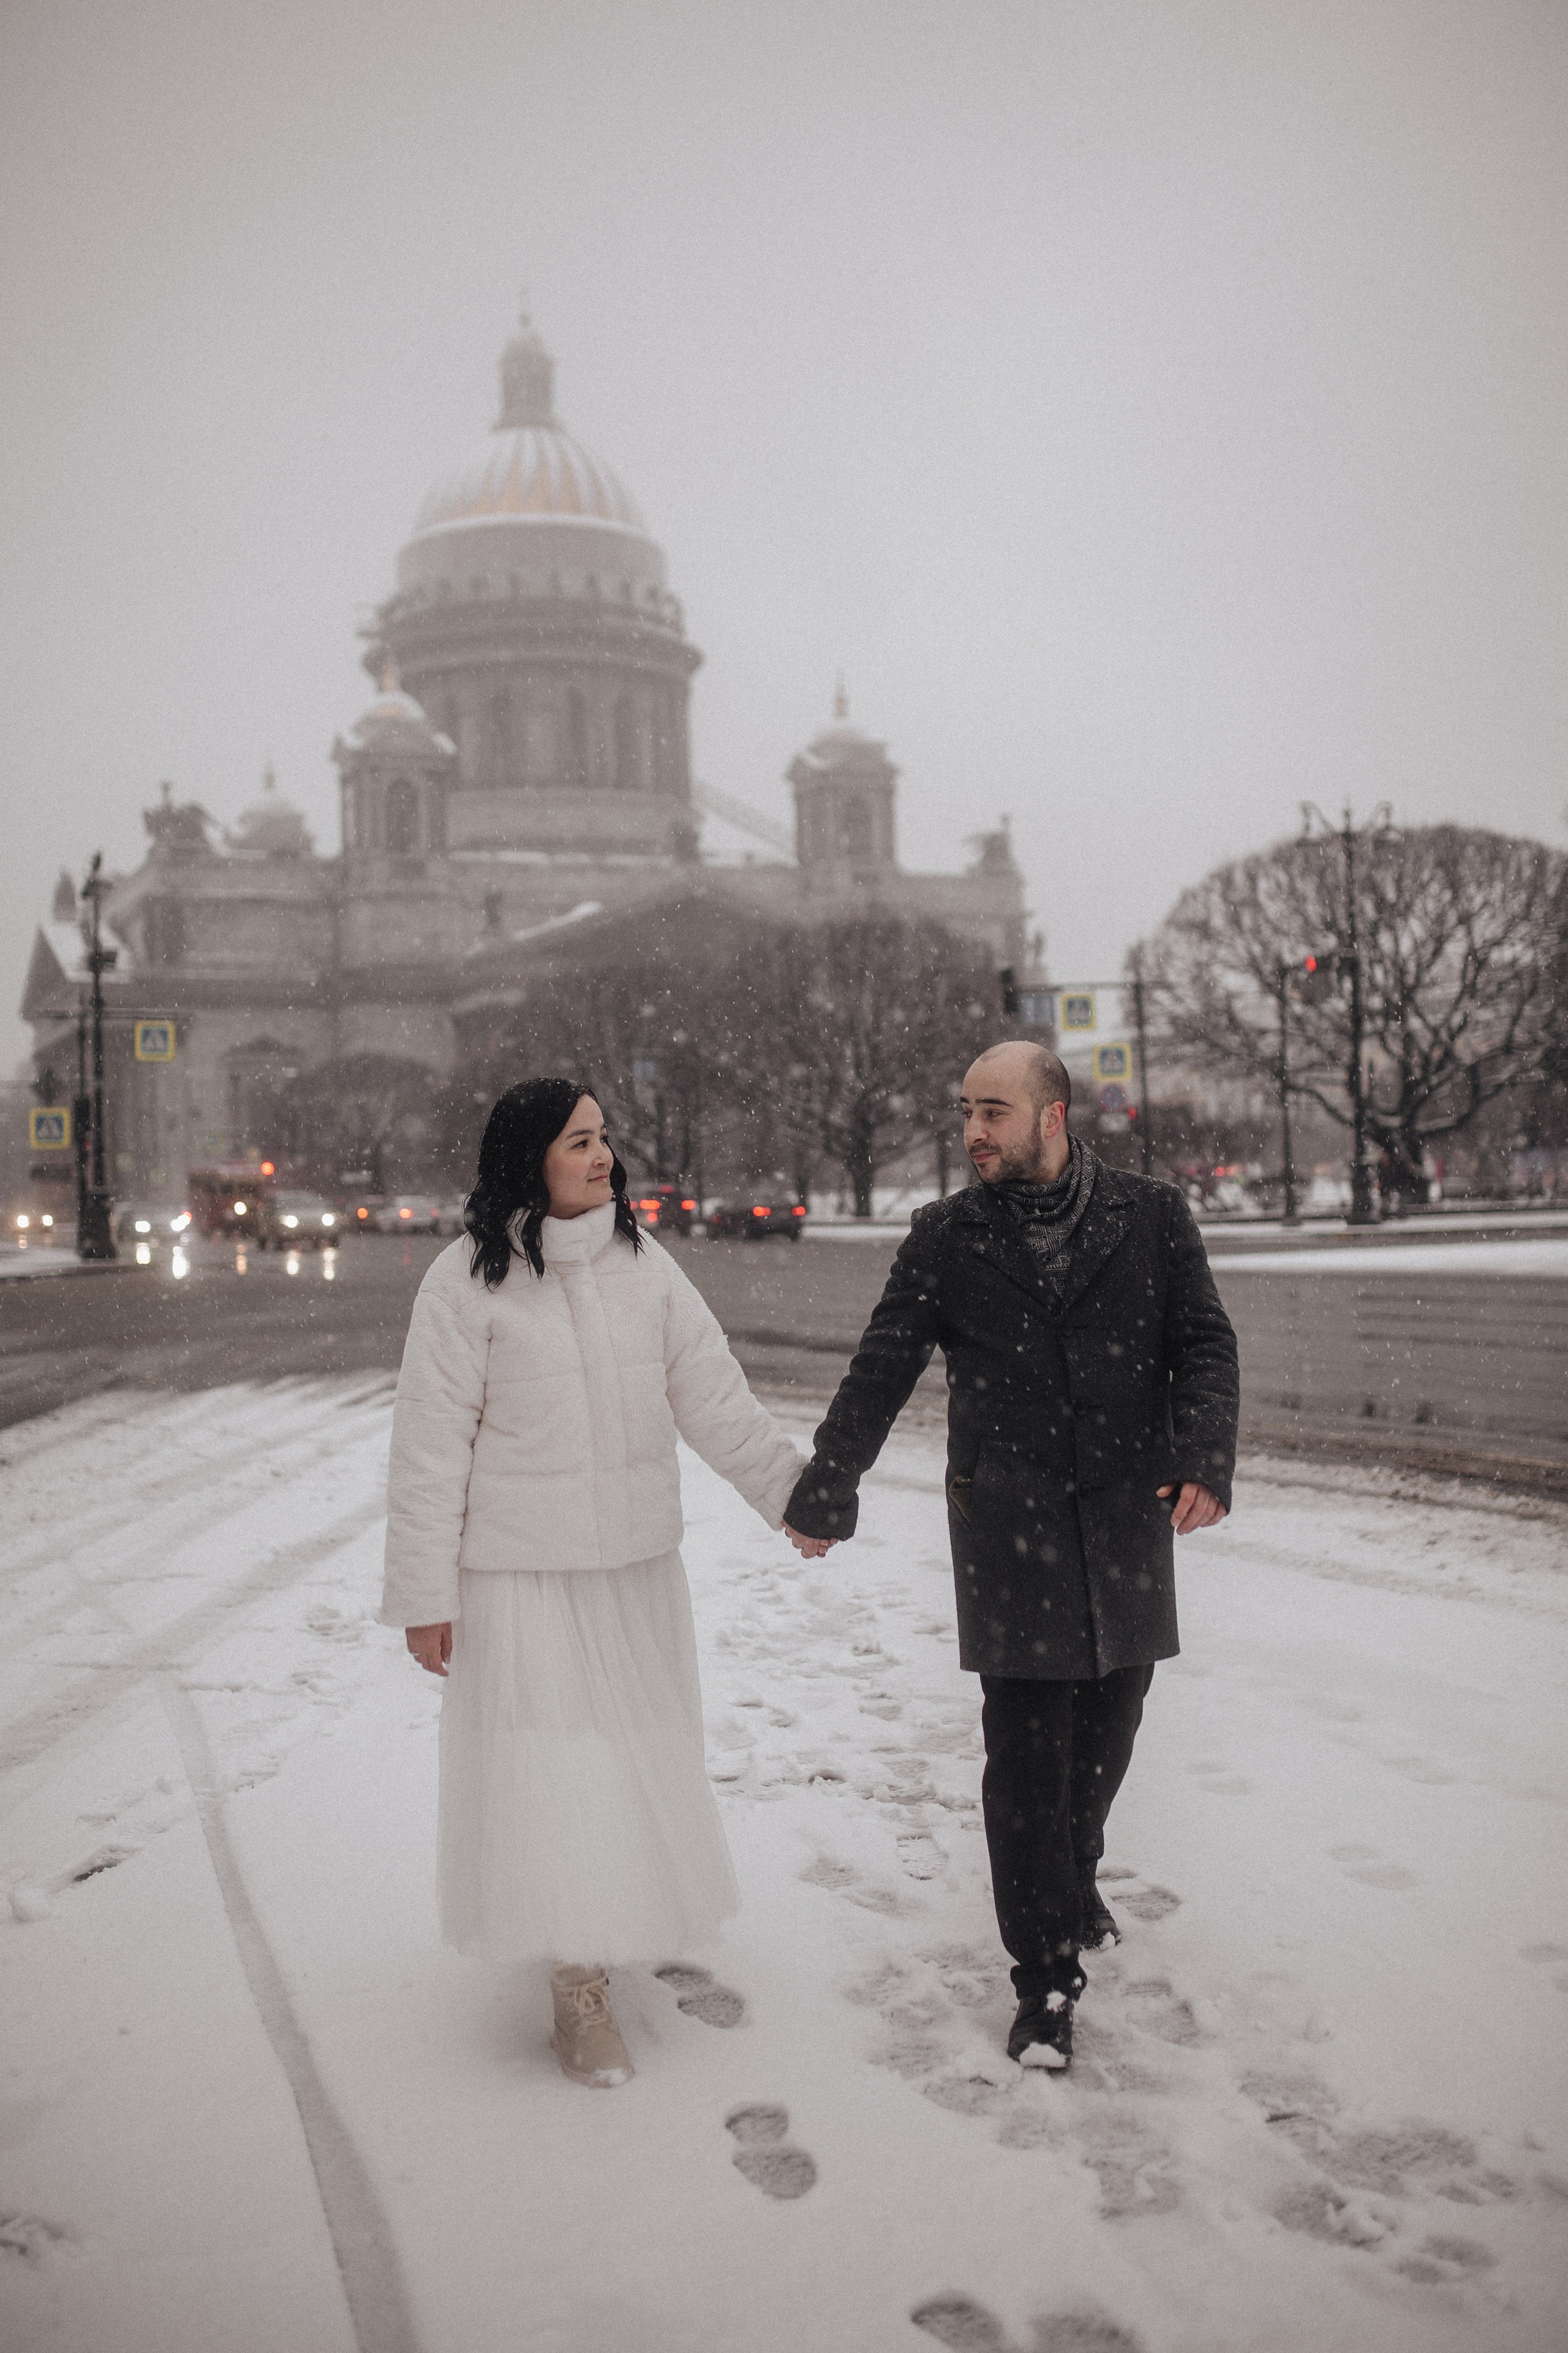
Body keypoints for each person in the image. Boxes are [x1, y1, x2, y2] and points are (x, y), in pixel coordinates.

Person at [782, 1041, 1238, 2072]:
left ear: (1053, 1115)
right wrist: (830, 1481)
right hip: (1010, 1525)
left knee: (1109, 1730)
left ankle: (1074, 1872)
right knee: (1028, 1757)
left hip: (1124, 1515)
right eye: (965, 1111)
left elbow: (1204, 1343)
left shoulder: (1153, 1216)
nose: (974, 1131)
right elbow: (882, 1367)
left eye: (993, 1110)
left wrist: (1203, 1455)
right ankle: (1044, 1977)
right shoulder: (947, 1236)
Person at [380, 1078, 805, 2088]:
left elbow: (714, 1396)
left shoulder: (645, 1265)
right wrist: (424, 1596)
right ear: (529, 1155)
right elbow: (429, 1450)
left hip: (634, 1573)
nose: (602, 1154)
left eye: (604, 1136)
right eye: (578, 1140)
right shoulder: (464, 1281)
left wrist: (793, 1495)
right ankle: (577, 1978)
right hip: (523, 1577)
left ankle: (615, 1919)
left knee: (629, 1759)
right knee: (553, 1775)